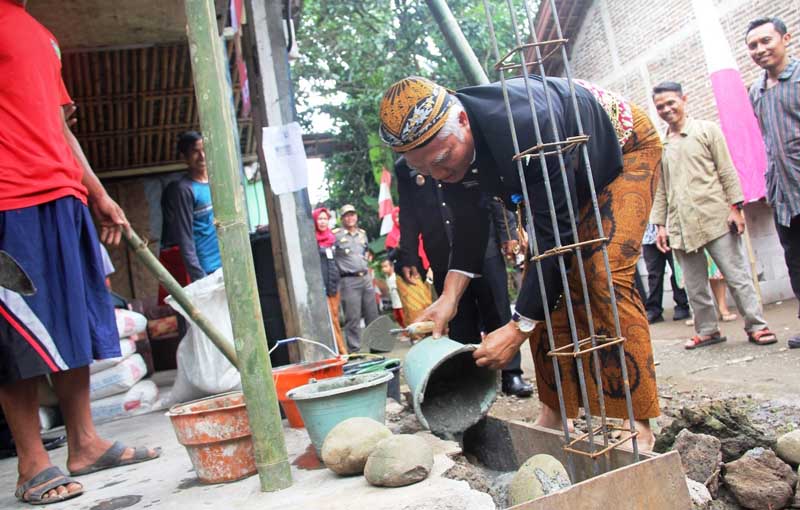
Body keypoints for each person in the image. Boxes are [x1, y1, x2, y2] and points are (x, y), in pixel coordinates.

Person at [379, 75, 661, 448]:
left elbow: (554, 241)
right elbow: (468, 224)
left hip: (618, 153)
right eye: (426, 171)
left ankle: (633, 419)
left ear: (462, 119)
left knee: (600, 272)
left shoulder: (525, 124)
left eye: (442, 161)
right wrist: (449, 296)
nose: (439, 175)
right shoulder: (444, 159)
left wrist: (516, 330)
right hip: (557, 177)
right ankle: (556, 409)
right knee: (538, 285)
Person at [0, 1, 159, 504]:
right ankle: (31, 462)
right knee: (17, 332)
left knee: (72, 324)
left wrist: (98, 192)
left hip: (63, 197)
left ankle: (85, 442)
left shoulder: (40, 33)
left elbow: (61, 126)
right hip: (9, 198)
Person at [649, 81, 777, 349]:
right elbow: (661, 188)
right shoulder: (661, 145)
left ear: (684, 99)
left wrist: (735, 208)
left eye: (671, 102)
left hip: (716, 218)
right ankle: (707, 330)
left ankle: (757, 326)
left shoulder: (707, 130)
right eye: (660, 106)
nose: (666, 109)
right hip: (681, 225)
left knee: (737, 276)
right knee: (694, 286)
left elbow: (727, 170)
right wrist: (660, 225)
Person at [394, 158, 533, 397]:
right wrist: (408, 256)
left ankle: (511, 373)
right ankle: (472, 379)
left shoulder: (458, 147)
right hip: (439, 249)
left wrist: (506, 233)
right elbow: (408, 212)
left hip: (483, 244)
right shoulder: (404, 166)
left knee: (496, 307)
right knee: (457, 317)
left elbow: (493, 194)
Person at [746, 16, 800, 349]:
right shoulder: (756, 91)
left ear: (785, 38)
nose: (760, 49)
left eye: (766, 41)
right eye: (753, 45)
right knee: (795, 262)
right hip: (784, 194)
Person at [159, 131, 221, 301]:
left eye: (204, 150)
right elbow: (185, 237)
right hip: (207, 269)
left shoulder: (217, 182)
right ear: (185, 157)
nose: (201, 156)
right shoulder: (184, 189)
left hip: (226, 263)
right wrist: (199, 276)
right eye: (195, 151)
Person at [333, 204, 379, 351]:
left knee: (372, 314)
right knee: (352, 317)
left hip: (365, 278)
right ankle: (355, 350)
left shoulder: (362, 234)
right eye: (346, 215)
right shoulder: (336, 235)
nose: (350, 218)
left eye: (352, 214)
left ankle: (377, 346)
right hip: (348, 280)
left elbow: (366, 251)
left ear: (356, 216)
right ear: (342, 218)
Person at [313, 207, 347, 354]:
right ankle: (340, 351)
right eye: (319, 219)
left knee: (335, 318)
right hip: (322, 285)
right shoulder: (312, 239)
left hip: (334, 283)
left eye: (325, 219)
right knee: (329, 321)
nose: (322, 222)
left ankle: (340, 350)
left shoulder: (333, 239)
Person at [641, 224, 690, 323]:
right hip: (648, 236)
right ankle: (654, 309)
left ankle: (682, 305)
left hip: (670, 234)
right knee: (653, 275)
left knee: (675, 270)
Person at [380, 259, 406, 328]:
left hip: (401, 303)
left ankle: (409, 332)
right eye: (382, 267)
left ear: (392, 267)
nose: (383, 269)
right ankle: (405, 332)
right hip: (394, 303)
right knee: (397, 318)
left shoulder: (396, 277)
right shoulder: (387, 278)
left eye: (385, 266)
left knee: (404, 318)